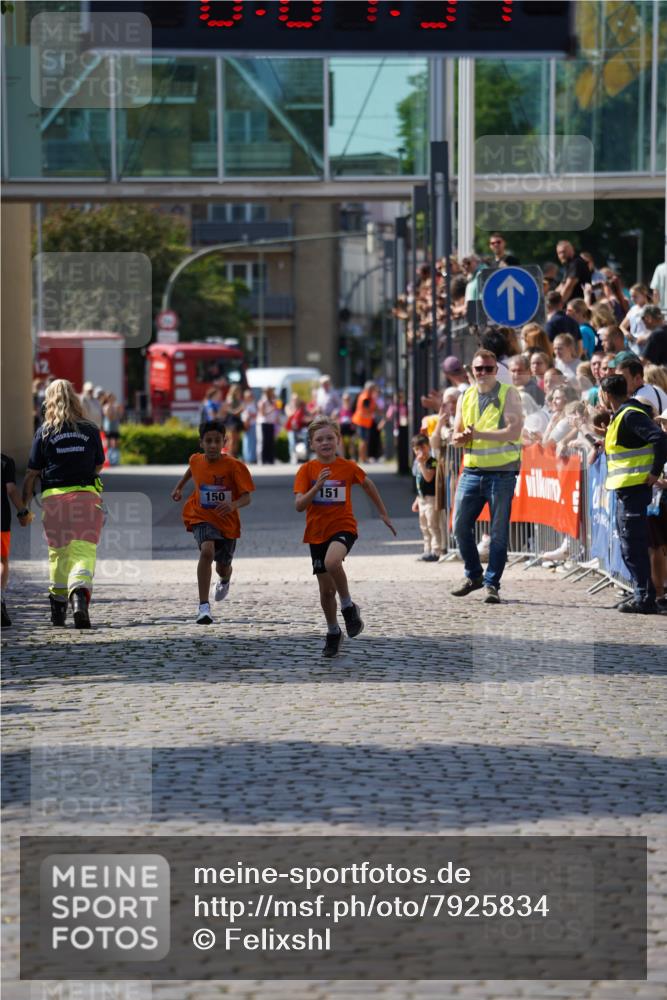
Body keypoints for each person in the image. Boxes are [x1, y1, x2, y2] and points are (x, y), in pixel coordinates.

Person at [294, 415, 396, 658]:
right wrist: (316, 487)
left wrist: (383, 513)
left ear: (338, 440)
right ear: (312, 444)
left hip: (344, 527)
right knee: (326, 592)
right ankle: (333, 631)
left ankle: (348, 606)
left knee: (332, 562)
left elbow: (368, 484)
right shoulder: (306, 470)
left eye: (330, 438)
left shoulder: (348, 467)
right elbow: (299, 505)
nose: (326, 443)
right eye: (320, 439)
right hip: (316, 533)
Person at [22, 379, 105, 629]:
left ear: (49, 400)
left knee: (58, 553)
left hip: (54, 498)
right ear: (76, 399)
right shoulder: (90, 429)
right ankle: (79, 597)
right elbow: (98, 464)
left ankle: (57, 610)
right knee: (83, 550)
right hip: (86, 496)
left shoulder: (45, 431)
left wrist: (23, 508)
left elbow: (32, 473)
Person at [450, 349, 524, 604]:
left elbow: (514, 431)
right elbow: (457, 434)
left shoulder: (508, 394)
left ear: (496, 371)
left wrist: (478, 434)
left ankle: (492, 583)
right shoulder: (466, 396)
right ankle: (474, 575)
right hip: (472, 470)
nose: (483, 373)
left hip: (502, 473)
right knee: (459, 526)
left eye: (488, 368)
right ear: (471, 370)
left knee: (498, 532)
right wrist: (459, 438)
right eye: (478, 368)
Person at [171, 419, 255, 624]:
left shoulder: (234, 466)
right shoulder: (196, 459)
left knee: (222, 566)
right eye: (208, 441)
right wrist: (179, 487)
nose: (213, 446)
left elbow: (247, 497)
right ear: (201, 443)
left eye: (217, 441)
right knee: (207, 550)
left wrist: (233, 505)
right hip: (200, 515)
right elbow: (192, 468)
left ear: (224, 441)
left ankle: (225, 578)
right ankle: (203, 606)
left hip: (227, 522)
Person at [599, 374, 667, 613]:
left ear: (606, 395)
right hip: (628, 490)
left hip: (635, 489)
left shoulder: (630, 415)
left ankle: (645, 599)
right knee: (631, 545)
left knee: (634, 546)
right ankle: (643, 595)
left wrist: (654, 472)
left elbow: (658, 437)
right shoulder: (622, 416)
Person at [1, 453, 32, 628]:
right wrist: (22, 511)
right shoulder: (5, 461)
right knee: (2, 560)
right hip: (1, 519)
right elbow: (11, 489)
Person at [411, 434, 442, 563]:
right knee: (423, 526)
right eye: (417, 449)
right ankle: (427, 549)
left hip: (431, 499)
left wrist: (422, 464)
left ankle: (436, 550)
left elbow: (428, 477)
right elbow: (419, 483)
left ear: (428, 447)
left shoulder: (431, 461)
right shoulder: (417, 464)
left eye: (423, 447)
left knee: (432, 524)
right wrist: (417, 499)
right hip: (422, 498)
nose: (420, 452)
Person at [620, 284, 651, 354]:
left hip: (645, 344)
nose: (632, 299)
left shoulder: (650, 309)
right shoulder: (633, 309)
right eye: (631, 296)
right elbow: (622, 326)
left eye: (635, 296)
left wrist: (645, 337)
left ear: (644, 295)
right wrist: (626, 333)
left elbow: (657, 327)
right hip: (632, 345)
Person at [351, 382, 377, 464]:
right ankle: (362, 458)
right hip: (361, 422)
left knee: (364, 441)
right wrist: (375, 409)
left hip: (365, 422)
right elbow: (368, 409)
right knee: (363, 441)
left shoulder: (368, 397)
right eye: (372, 389)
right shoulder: (365, 398)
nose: (373, 391)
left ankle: (363, 458)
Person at [257, 387, 280, 465]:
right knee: (264, 441)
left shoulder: (272, 401)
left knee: (271, 441)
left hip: (271, 423)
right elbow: (262, 413)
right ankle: (263, 459)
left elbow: (276, 411)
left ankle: (271, 459)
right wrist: (272, 409)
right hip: (264, 423)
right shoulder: (263, 401)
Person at [102, 393, 123, 466]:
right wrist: (114, 411)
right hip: (108, 427)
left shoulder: (116, 406)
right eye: (111, 398)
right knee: (108, 444)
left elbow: (120, 416)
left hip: (115, 427)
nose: (112, 399)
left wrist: (119, 410)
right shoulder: (106, 407)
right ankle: (108, 459)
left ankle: (116, 460)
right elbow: (110, 417)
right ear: (108, 399)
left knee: (116, 443)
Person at [241, 389, 258, 464]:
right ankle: (248, 457)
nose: (250, 397)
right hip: (248, 425)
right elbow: (245, 415)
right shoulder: (245, 405)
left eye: (251, 396)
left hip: (253, 424)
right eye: (249, 396)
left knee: (253, 442)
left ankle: (252, 457)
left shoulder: (253, 404)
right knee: (248, 442)